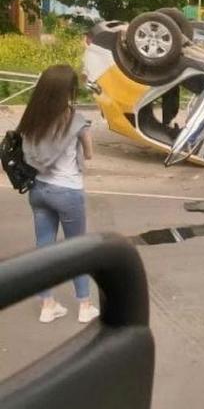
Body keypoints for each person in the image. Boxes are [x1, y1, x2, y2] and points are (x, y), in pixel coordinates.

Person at [18, 65, 99, 324]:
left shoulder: (32, 117)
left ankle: (47, 306)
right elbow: (89, 154)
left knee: (44, 248)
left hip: (38, 189)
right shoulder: (74, 119)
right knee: (76, 249)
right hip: (67, 192)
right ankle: (85, 305)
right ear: (66, 91)